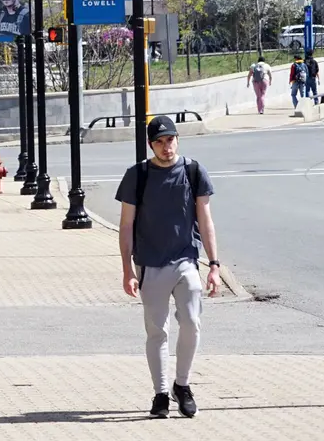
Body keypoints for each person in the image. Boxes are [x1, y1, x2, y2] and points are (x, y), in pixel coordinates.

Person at [116, 114, 222, 420]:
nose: (167, 147)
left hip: (186, 260)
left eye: (171, 140)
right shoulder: (138, 175)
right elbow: (126, 225)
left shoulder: (193, 170)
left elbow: (206, 219)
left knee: (191, 322)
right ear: (151, 145)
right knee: (156, 332)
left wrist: (214, 264)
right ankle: (161, 394)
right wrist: (126, 269)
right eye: (160, 142)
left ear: (177, 140)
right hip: (150, 264)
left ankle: (182, 385)